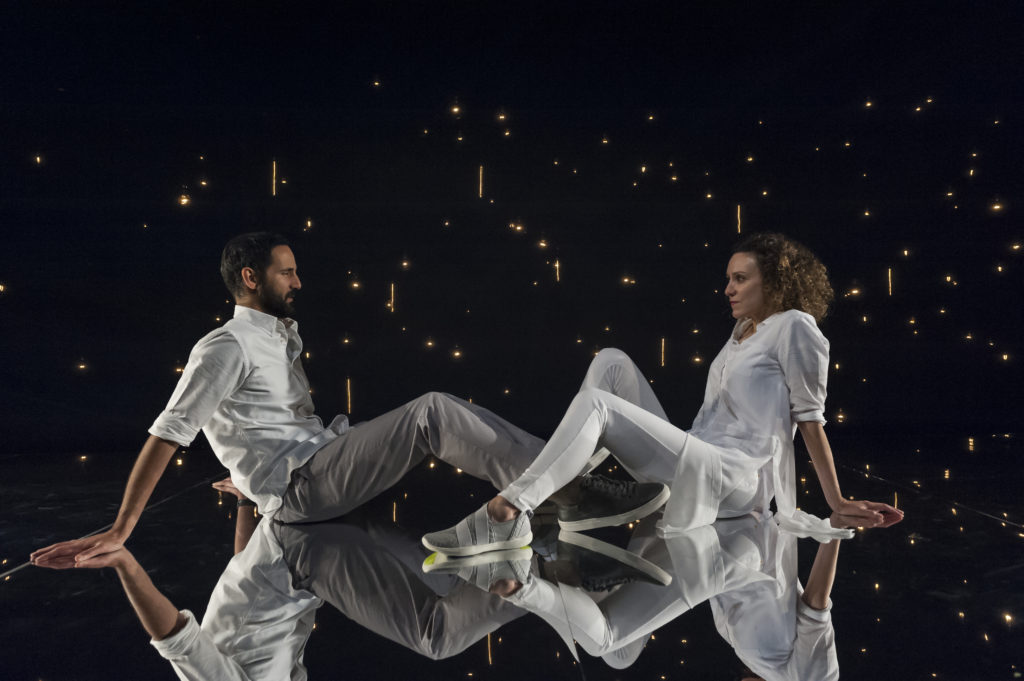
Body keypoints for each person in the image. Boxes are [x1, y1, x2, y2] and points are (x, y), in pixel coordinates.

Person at [31, 232, 548, 569]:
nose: (298, 281)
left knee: (454, 410)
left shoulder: (274, 337)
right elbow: (169, 432)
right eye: (287, 272)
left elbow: (254, 422)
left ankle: (555, 468)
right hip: (307, 484)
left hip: (308, 471)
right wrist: (121, 530)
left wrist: (250, 480)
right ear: (251, 279)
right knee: (432, 411)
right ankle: (559, 481)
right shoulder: (226, 346)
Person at [423, 232, 903, 564]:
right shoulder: (742, 331)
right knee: (611, 362)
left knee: (598, 406)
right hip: (696, 451)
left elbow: (810, 419)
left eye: (740, 278)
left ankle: (507, 512)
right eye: (729, 278)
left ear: (775, 282)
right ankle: (566, 491)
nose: (728, 288)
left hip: (733, 478)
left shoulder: (796, 327)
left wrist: (836, 501)